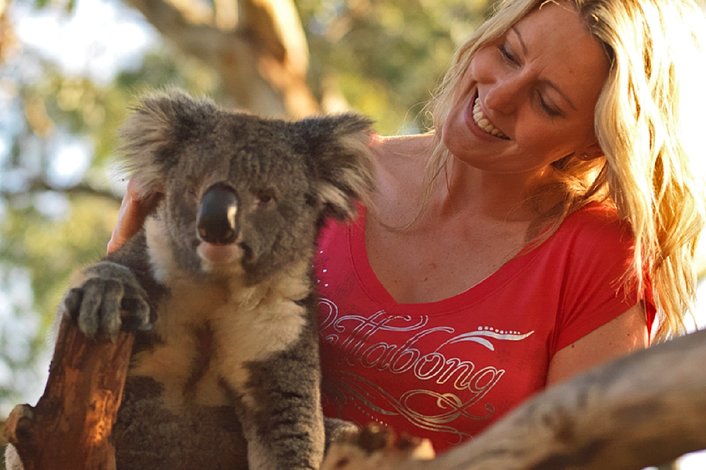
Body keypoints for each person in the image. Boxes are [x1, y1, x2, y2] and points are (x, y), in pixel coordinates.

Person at [107, 0, 706, 454]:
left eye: (547, 102)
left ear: (595, 143)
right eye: (508, 53)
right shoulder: (312, 180)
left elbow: (582, 457)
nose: (498, 98)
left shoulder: (601, 261)